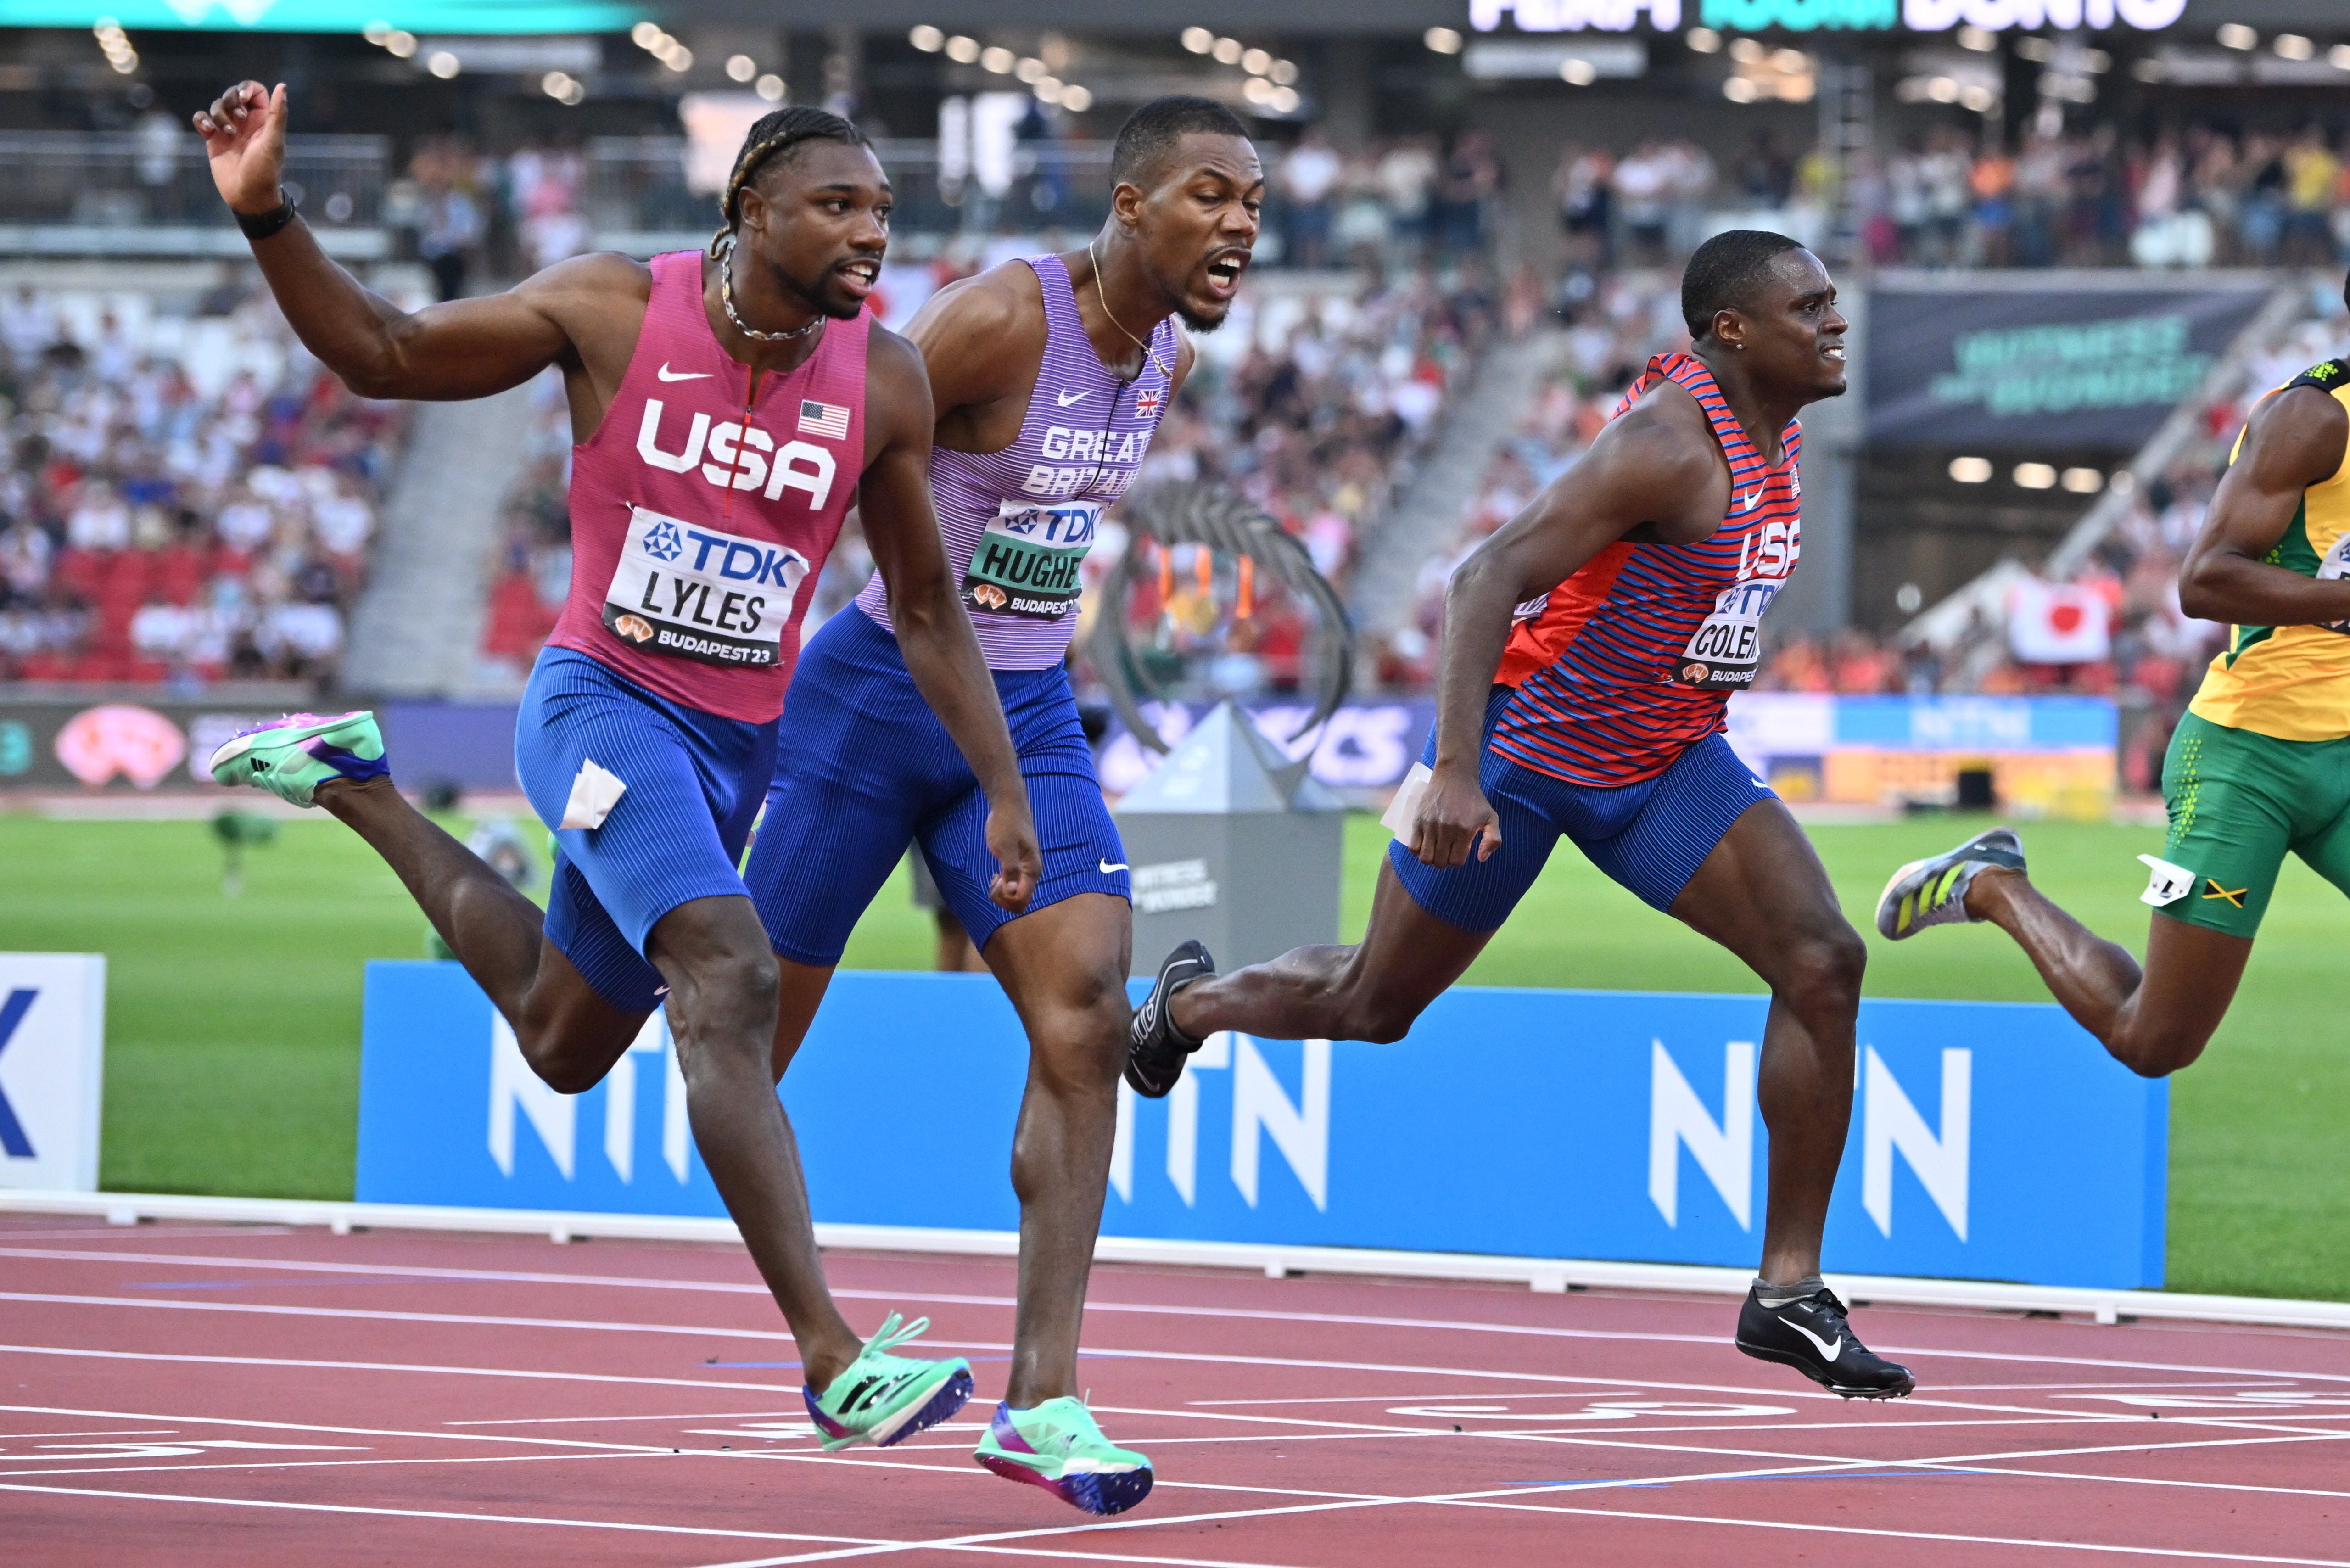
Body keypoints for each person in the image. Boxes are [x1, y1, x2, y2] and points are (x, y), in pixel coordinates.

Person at [190, 84, 1040, 1455]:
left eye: (884, 210)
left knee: (563, 1038)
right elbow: (389, 353)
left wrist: (1002, 785)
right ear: (751, 211)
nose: (873, 234)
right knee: (732, 970)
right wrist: (265, 211)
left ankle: (357, 785)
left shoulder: (886, 379)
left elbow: (930, 608)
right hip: (600, 704)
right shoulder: (609, 309)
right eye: (840, 206)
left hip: (732, 748)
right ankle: (831, 1356)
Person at [1130, 230, 1916, 1401]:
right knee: (1371, 1003)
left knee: (1822, 956)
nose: (1835, 322)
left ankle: (1786, 1293)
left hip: (1664, 762)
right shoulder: (1661, 448)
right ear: (1735, 332)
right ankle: (1186, 1004)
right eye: (1810, 307)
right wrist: (1454, 771)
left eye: (1833, 303)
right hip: (1524, 759)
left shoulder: (1779, 433)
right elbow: (1483, 575)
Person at [739, 96, 1261, 1514]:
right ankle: (828, 1347)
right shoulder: (1000, 320)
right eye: (1212, 195)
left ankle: (1043, 1397)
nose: (1240, 226)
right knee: (729, 1043)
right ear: (1132, 204)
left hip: (1027, 706)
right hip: (869, 702)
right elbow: (832, 441)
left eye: (1256, 206)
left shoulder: (1167, 347)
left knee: (1086, 1015)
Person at [1879, 275, 2350, 1078]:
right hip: (2253, 757)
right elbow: (2203, 581)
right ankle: (1990, 884)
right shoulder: (2313, 418)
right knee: (2152, 1041)